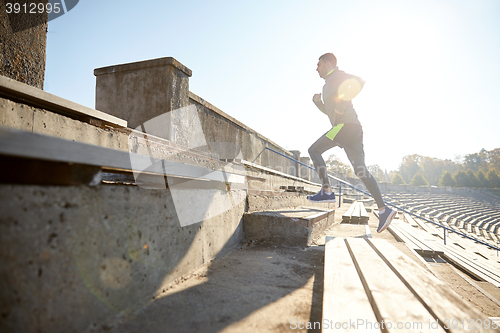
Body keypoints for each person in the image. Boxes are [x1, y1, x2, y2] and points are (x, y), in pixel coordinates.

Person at [306, 53, 396, 233]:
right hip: (352, 128)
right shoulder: (327, 85)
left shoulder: (338, 75)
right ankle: (384, 210)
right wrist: (318, 103)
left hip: (345, 127)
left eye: (319, 65)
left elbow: (361, 81)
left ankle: (327, 191)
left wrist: (342, 103)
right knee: (360, 170)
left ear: (329, 64)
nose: (317, 68)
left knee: (314, 150)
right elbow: (332, 113)